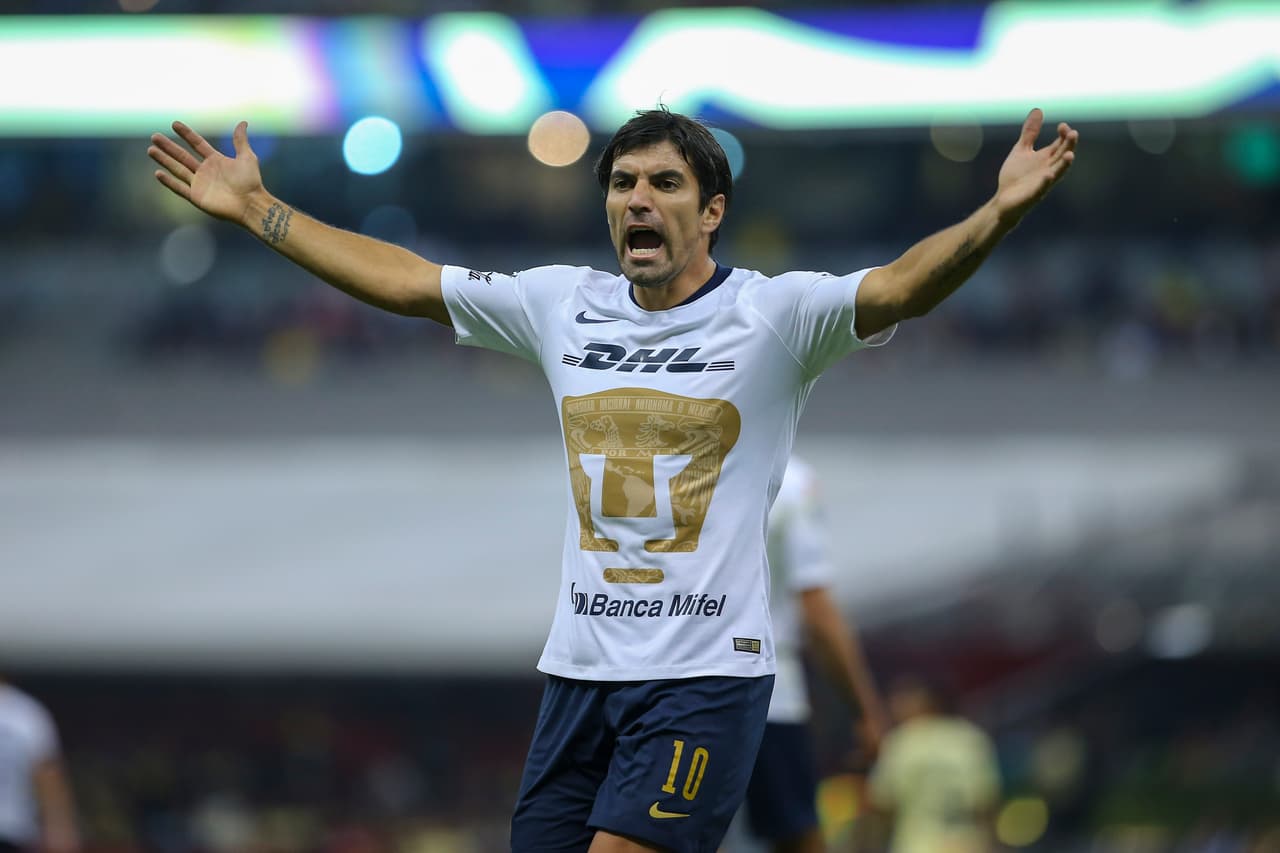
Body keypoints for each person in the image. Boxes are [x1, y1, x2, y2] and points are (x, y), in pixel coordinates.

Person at [147, 105, 1077, 852]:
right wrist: (262, 213)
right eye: (624, 183)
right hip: (579, 676)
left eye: (666, 183)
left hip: (705, 680)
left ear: (711, 210)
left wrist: (996, 213)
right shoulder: (559, 303)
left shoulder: (774, 316)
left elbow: (901, 285)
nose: (640, 198)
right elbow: (404, 279)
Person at [738, 456, 889, 853]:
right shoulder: (792, 480)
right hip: (768, 691)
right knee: (797, 834)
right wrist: (866, 710)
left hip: (675, 684)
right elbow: (817, 610)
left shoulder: (678, 461)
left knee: (680, 832)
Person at [865, 675, 1001, 853]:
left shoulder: (900, 742)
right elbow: (985, 803)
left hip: (914, 845)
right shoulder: (970, 739)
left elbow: (882, 804)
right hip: (966, 844)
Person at [0, 677, 80, 853]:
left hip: (12, 832)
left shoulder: (25, 714)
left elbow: (47, 778)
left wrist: (60, 832)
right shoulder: (26, 713)